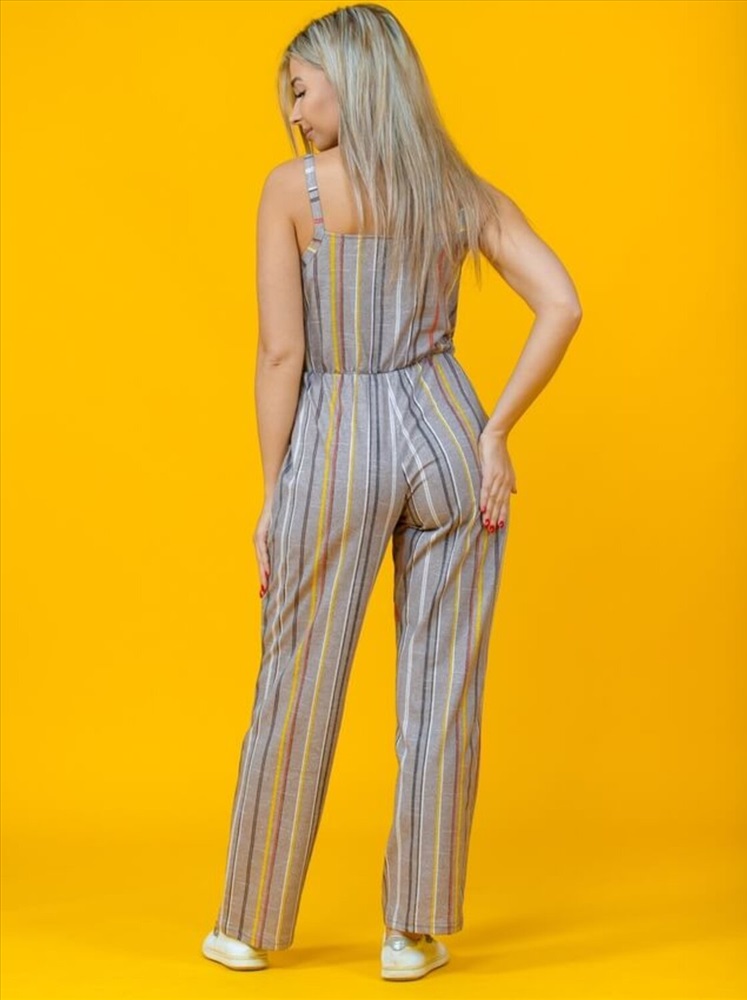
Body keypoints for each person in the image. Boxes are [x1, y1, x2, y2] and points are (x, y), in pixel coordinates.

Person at [202, 1, 582, 982]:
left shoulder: (293, 192)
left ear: (352, 79)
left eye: (300, 88)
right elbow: (561, 302)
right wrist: (494, 432)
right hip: (450, 435)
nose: (292, 112)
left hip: (337, 434)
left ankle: (248, 924)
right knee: (442, 693)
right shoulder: (455, 189)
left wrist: (273, 494)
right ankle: (411, 931)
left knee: (296, 683)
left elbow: (281, 353)